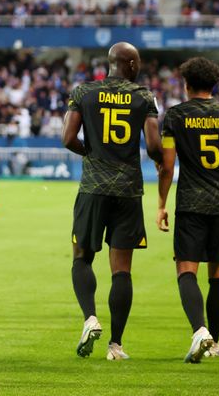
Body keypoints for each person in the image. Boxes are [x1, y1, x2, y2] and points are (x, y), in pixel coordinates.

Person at [61, 42, 162, 360]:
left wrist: (90, 153)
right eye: (138, 61)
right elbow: (154, 145)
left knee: (82, 258)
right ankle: (116, 345)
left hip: (93, 188)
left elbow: (67, 138)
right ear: (130, 64)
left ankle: (90, 318)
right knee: (122, 271)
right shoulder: (144, 96)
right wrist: (161, 162)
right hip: (128, 191)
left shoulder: (84, 92)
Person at [156, 57, 219, 363]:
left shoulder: (176, 116)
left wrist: (161, 204)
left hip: (191, 203)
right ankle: (214, 342)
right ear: (214, 84)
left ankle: (200, 331)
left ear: (186, 84)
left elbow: (168, 166)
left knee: (186, 270)